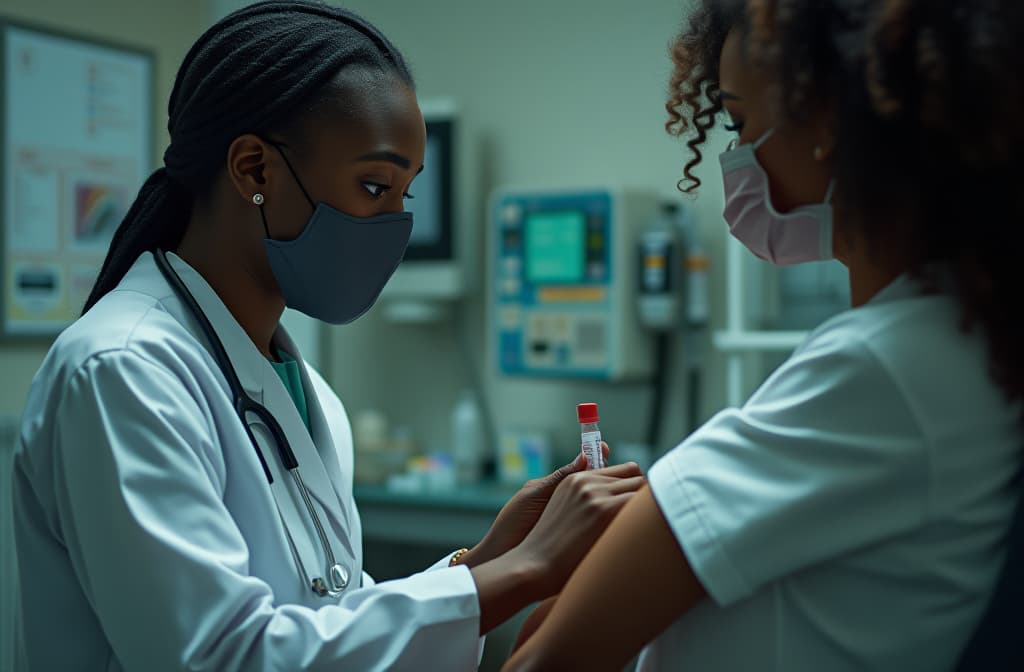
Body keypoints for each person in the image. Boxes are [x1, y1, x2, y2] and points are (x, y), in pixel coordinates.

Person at [11, 2, 644, 670]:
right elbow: (221, 655)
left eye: (405, 196)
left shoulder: (301, 391)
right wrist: (526, 572)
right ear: (255, 170)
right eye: (374, 186)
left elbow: (327, 620)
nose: (393, 227)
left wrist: (485, 559)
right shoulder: (121, 371)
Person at [504, 0, 1024, 670]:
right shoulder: (964, 341)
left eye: (741, 121)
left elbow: (542, 660)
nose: (738, 158)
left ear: (827, 120)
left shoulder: (884, 365)